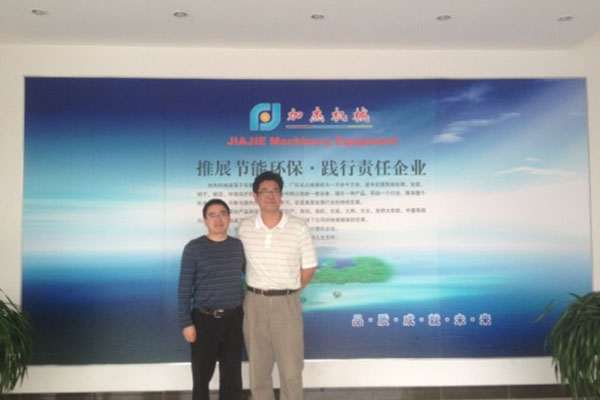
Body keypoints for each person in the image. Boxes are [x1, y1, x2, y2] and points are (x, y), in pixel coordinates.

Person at [237, 171, 318, 400]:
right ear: (255, 196)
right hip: (254, 303)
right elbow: (240, 263)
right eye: (264, 191)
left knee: (291, 369)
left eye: (275, 191)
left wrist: (288, 290)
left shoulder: (298, 226)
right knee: (258, 370)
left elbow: (309, 266)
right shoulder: (244, 227)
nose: (270, 196)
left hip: (286, 304)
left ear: (281, 195)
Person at [178, 198, 245, 400]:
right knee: (201, 377)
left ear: (229, 218)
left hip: (234, 319)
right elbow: (184, 288)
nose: (218, 219)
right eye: (212, 215)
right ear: (205, 221)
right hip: (204, 320)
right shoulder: (194, 248)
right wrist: (186, 323)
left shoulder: (237, 246)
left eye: (222, 214)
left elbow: (252, 275)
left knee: (232, 377)